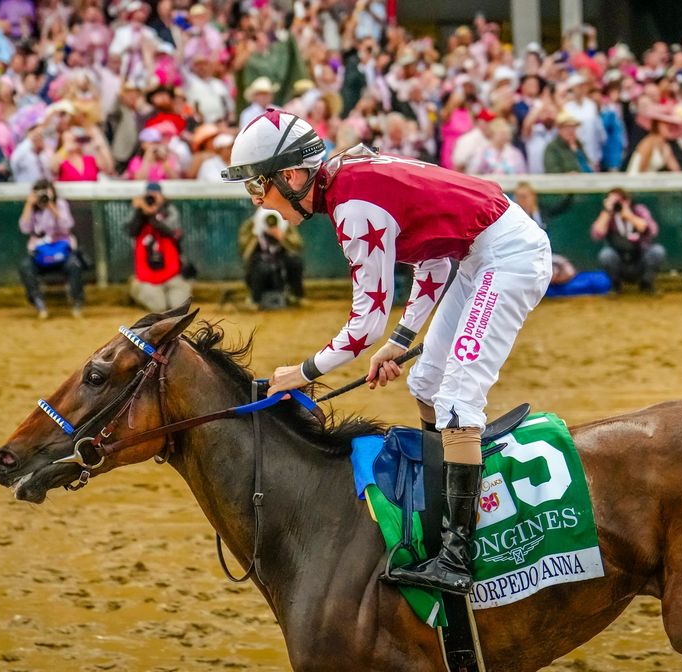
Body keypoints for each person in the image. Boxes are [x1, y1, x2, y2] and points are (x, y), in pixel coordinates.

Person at [223, 108, 551, 595]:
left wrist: (304, 371)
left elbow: (364, 324)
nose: (259, 200)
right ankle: (439, 516)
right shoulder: (348, 179)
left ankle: (456, 559)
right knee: (425, 383)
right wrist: (401, 341)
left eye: (259, 186)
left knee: (458, 400)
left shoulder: (354, 210)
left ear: (291, 175)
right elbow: (435, 258)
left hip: (506, 258)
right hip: (479, 251)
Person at [18, 179, 84, 319]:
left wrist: (51, 207)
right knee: (25, 266)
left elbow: (67, 225)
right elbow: (24, 228)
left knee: (75, 265)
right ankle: (39, 303)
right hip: (40, 255)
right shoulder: (33, 208)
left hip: (62, 253)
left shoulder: (60, 204)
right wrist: (29, 205)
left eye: (46, 191)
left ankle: (77, 303)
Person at [125, 182, 192, 313]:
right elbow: (131, 231)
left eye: (156, 195)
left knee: (178, 306)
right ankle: (135, 288)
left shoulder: (170, 211)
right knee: (158, 307)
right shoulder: (138, 212)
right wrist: (140, 211)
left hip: (172, 272)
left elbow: (170, 232)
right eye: (149, 196)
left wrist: (152, 213)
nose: (152, 199)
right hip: (146, 274)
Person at [592, 188, 666, 293]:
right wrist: (607, 211)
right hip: (619, 259)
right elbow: (597, 234)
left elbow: (652, 231)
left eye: (620, 200)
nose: (617, 203)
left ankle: (646, 284)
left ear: (628, 200)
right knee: (606, 254)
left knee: (657, 251)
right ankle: (616, 286)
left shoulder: (639, 210)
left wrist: (629, 216)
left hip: (639, 258)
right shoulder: (608, 215)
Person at [238, 207, 305, 309]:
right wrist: (257, 234)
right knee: (261, 268)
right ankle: (255, 300)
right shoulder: (251, 225)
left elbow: (298, 245)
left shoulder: (286, 225)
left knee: (295, 263)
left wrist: (282, 237)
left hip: (280, 259)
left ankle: (296, 296)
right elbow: (243, 248)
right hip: (259, 261)